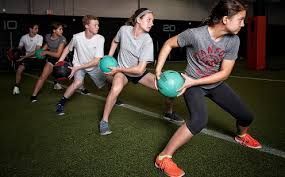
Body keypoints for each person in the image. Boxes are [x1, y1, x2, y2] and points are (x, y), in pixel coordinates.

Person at [154, 0, 262, 176]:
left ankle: (241, 136)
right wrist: (158, 71)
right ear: (226, 19)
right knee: (199, 121)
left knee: (246, 116)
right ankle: (164, 157)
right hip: (192, 83)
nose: (243, 23)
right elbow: (168, 44)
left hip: (209, 83)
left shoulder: (233, 41)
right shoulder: (195, 35)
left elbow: (225, 73)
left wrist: (193, 82)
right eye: (240, 19)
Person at [99, 8, 184, 136]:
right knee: (116, 88)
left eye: (153, 21)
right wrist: (109, 59)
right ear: (138, 20)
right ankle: (104, 121)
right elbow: (115, 41)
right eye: (149, 20)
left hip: (139, 74)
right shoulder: (123, 30)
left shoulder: (147, 40)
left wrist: (118, 69)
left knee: (168, 87)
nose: (152, 23)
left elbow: (139, 69)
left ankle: (169, 112)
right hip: (122, 72)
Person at [55, 15, 106, 115]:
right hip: (78, 64)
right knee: (77, 83)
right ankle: (61, 103)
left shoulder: (100, 39)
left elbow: (96, 61)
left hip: (93, 66)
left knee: (105, 84)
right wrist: (60, 61)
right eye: (95, 25)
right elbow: (67, 48)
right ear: (86, 26)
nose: (97, 27)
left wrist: (77, 68)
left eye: (98, 25)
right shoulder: (77, 37)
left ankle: (113, 98)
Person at [30, 22, 67, 102]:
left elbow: (58, 55)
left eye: (62, 29)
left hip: (61, 60)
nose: (62, 31)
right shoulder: (47, 36)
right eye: (60, 29)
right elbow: (46, 46)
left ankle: (81, 88)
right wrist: (40, 53)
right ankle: (34, 95)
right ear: (54, 30)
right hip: (51, 59)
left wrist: (46, 52)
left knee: (72, 77)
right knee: (43, 76)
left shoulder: (62, 39)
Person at [12, 23, 43, 95]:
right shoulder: (23, 37)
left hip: (37, 58)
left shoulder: (40, 37)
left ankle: (55, 83)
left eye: (37, 28)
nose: (37, 30)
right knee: (19, 69)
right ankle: (16, 87)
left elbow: (36, 51)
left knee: (44, 72)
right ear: (30, 29)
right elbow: (19, 48)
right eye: (35, 28)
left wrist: (24, 57)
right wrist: (15, 52)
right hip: (27, 58)